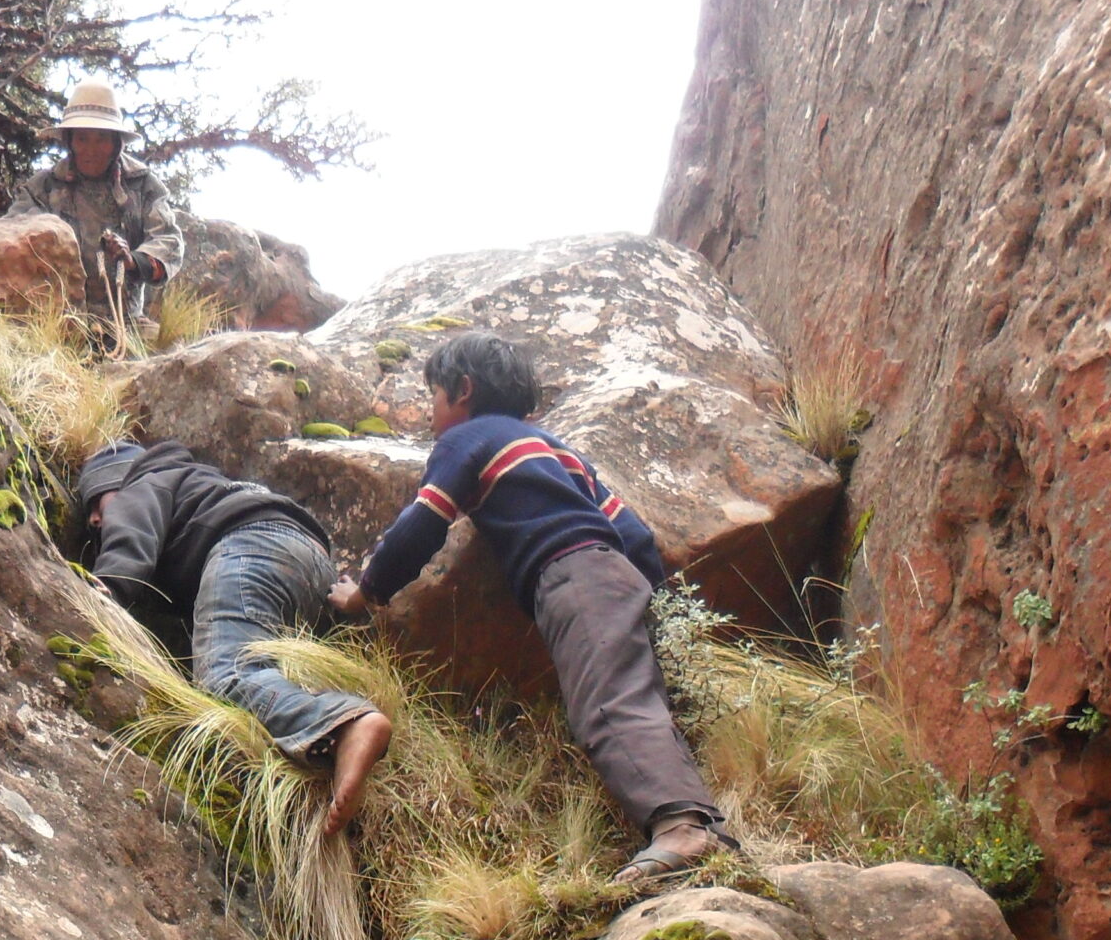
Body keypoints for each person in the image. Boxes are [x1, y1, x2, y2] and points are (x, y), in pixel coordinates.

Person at [327, 331, 733, 886]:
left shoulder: (467, 438)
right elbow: (635, 534)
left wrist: (366, 592)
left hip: (570, 576)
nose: (430, 413)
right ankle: (706, 829)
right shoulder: (558, 450)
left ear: (463, 390)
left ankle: (681, 829)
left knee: (607, 704)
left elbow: (420, 526)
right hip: (616, 573)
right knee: (636, 697)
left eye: (433, 396)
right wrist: (656, 610)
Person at [81, 441, 391, 834]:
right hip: (313, 567)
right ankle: (326, 746)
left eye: (97, 502)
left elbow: (130, 542)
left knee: (224, 673)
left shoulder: (143, 482)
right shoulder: (208, 490)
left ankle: (341, 723)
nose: (94, 519)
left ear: (119, 481)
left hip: (250, 547)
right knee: (256, 671)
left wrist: (105, 589)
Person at [5, 81, 184, 335]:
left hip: (127, 324)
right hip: (56, 323)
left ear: (117, 143)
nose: (91, 149)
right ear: (70, 141)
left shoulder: (142, 185)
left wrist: (133, 261)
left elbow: (168, 239)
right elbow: (12, 235)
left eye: (102, 139)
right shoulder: (42, 188)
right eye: (82, 138)